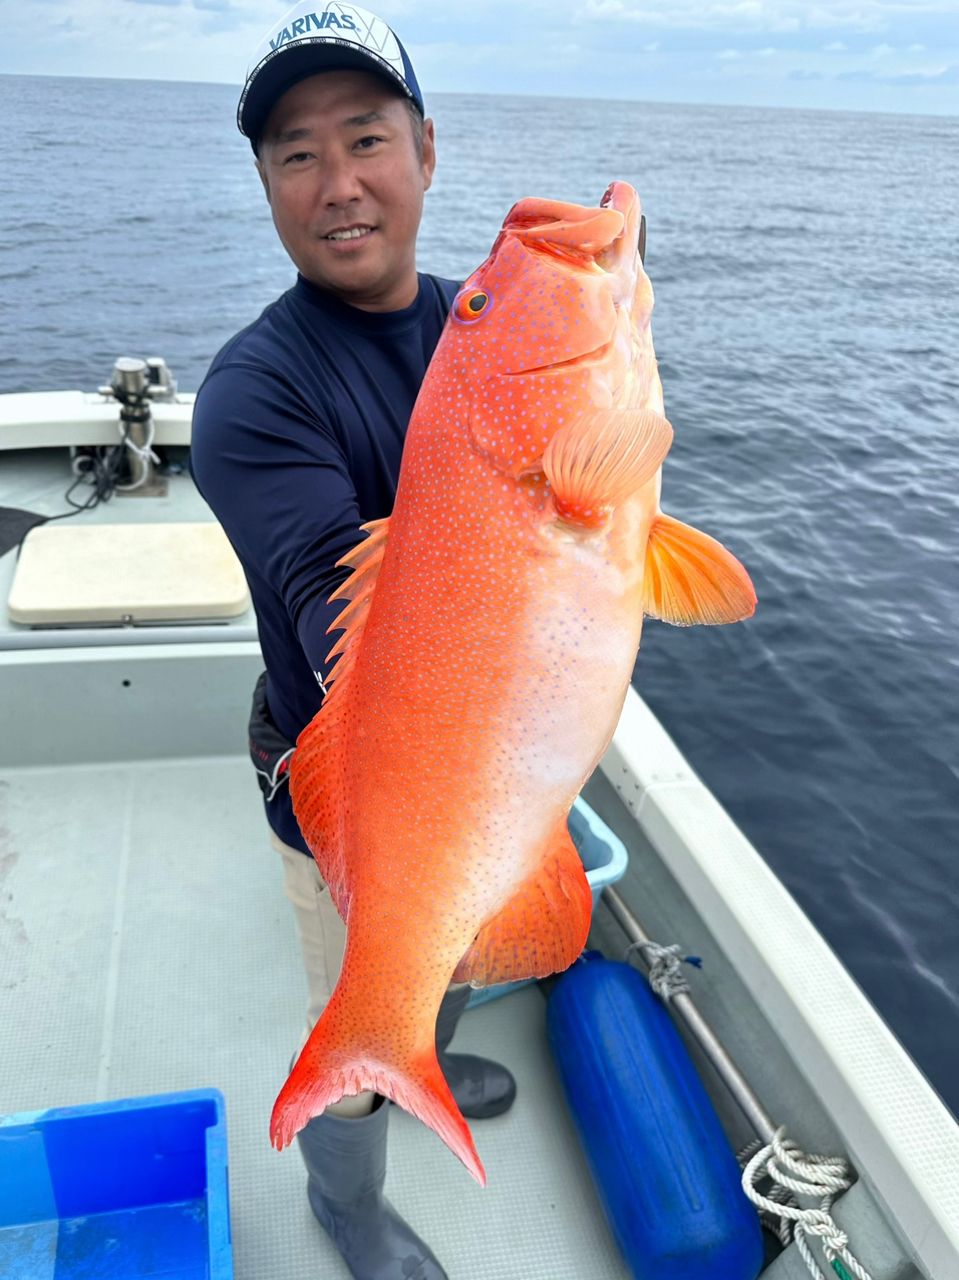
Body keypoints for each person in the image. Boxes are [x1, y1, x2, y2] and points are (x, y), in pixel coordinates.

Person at [189, 4, 516, 1278]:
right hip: (351, 773)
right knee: (368, 988)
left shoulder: (487, 334)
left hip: (492, 744)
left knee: (466, 938)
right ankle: (350, 1201)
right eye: (294, 153)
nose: (339, 185)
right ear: (265, 183)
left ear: (425, 150)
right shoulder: (253, 392)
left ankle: (431, 1036)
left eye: (366, 137)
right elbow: (341, 618)